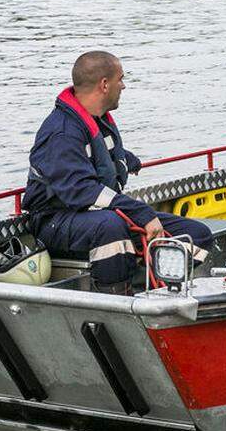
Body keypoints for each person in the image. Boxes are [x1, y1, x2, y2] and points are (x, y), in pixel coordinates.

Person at [21, 51, 212, 293]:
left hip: (94, 215)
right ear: (104, 84)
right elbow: (80, 191)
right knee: (110, 227)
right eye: (120, 79)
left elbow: (102, 154)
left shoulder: (95, 121)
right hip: (55, 221)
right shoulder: (62, 133)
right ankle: (118, 300)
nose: (123, 85)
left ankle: (156, 289)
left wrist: (128, 161)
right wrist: (140, 212)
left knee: (196, 235)